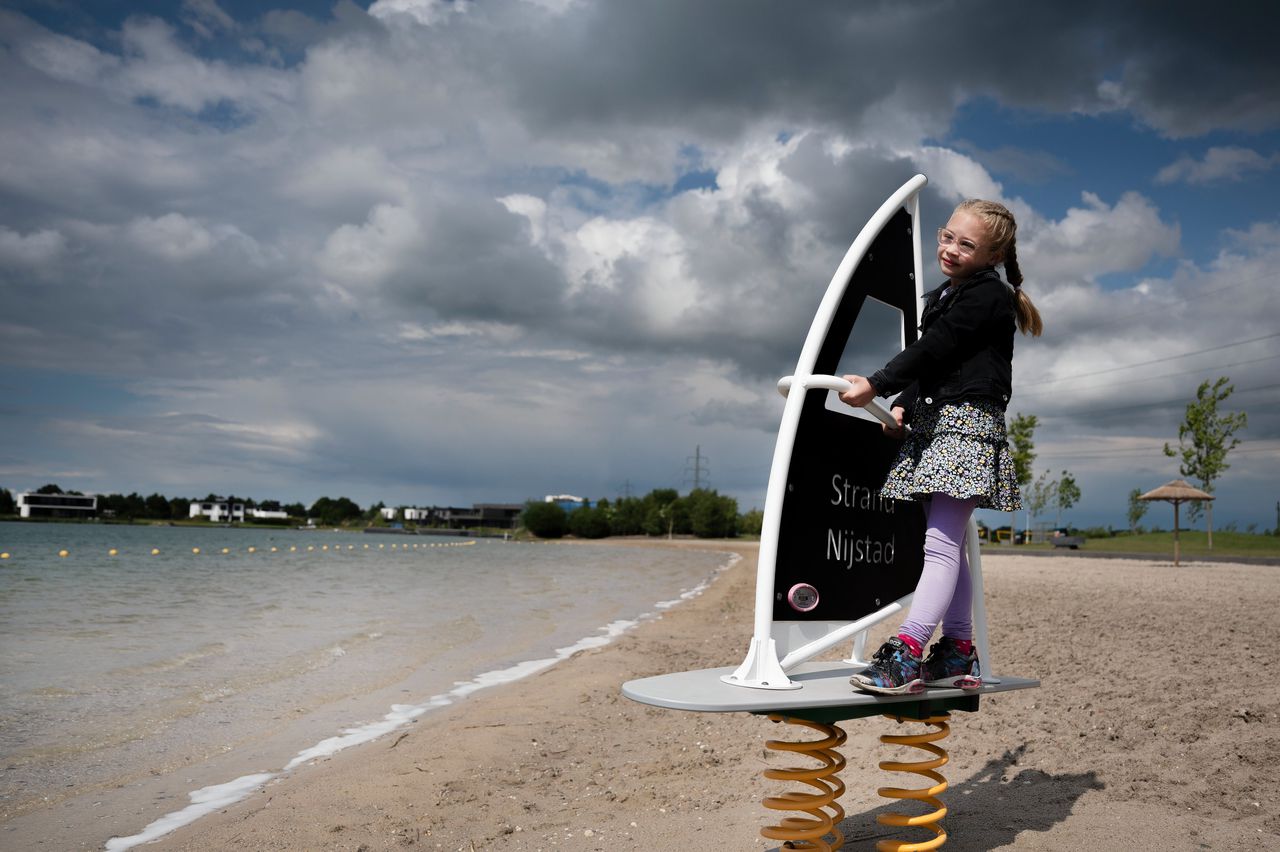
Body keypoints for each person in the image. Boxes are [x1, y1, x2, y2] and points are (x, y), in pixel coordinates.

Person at [838, 198, 1042, 695]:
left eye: (965, 244)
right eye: (946, 236)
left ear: (993, 255)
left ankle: (907, 652)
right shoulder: (948, 294)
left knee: (941, 544)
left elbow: (938, 345)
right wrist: (905, 402)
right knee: (948, 545)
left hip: (966, 425)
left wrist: (879, 382)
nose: (949, 249)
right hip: (938, 422)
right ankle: (955, 650)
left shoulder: (987, 297)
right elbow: (939, 362)